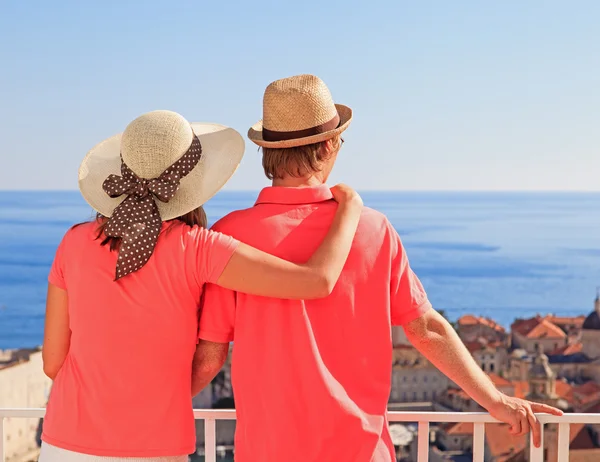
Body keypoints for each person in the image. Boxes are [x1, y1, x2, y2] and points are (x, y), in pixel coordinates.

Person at [194, 75, 563, 461]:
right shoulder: (372, 229)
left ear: (267, 151)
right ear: (331, 144)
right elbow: (427, 329)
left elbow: (210, 355)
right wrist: (497, 401)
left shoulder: (230, 235)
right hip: (362, 451)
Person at [40, 110, 363, 462]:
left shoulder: (73, 242)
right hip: (155, 444)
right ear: (191, 180)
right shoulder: (198, 248)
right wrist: (349, 210)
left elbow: (53, 362)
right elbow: (317, 281)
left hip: (65, 441)